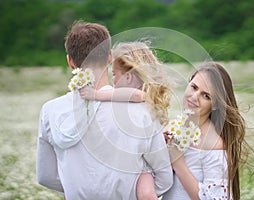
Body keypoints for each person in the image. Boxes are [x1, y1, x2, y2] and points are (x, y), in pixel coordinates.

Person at [36, 20, 173, 200]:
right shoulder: (142, 111)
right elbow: (164, 179)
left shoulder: (50, 111)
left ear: (70, 61)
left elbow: (45, 176)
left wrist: (77, 187)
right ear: (109, 57)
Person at [79, 41, 175, 199]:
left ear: (129, 77)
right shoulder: (143, 104)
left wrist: (97, 95)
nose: (113, 81)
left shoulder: (142, 98)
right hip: (140, 165)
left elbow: (135, 95)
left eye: (115, 75)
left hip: (144, 168)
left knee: (146, 193)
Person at [162, 62, 254, 200]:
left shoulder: (215, 145)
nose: (194, 96)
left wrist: (178, 164)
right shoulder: (172, 128)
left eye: (206, 96)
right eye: (194, 87)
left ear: (215, 105)